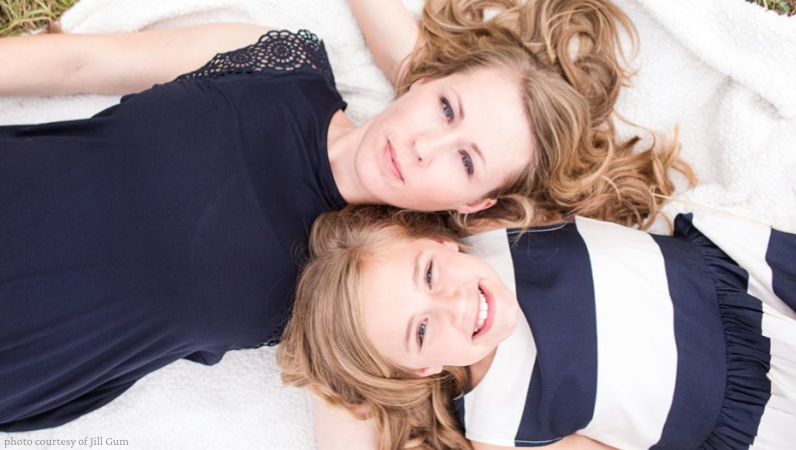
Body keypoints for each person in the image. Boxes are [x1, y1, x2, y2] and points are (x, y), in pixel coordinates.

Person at [0, 0, 688, 431]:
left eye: (467, 161)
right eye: (446, 109)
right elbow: (81, 61)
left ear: (476, 205)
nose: (423, 146)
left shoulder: (373, 274)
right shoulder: (277, 63)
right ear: (421, 81)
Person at [278, 205, 796, 450]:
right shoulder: (499, 428)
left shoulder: (493, 227)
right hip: (756, 414)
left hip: (751, 288)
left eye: (431, 275)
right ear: (421, 369)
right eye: (421, 330)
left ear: (435, 242)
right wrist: (338, 384)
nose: (456, 305)